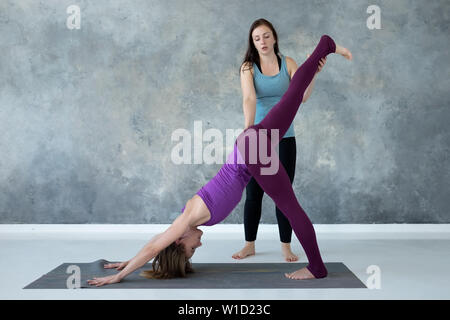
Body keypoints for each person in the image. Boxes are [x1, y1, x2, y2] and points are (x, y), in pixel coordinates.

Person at [87, 34, 352, 287]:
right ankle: (323, 47)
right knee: (293, 96)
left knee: (289, 206)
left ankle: (317, 268)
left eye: (191, 248)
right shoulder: (186, 222)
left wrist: (118, 278)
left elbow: (156, 246)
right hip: (250, 148)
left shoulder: (188, 219)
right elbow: (157, 243)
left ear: (179, 241)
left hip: (251, 151)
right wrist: (127, 263)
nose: (198, 246)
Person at [233, 18, 328, 262]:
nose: (262, 42)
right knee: (253, 194)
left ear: (274, 37)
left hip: (285, 138)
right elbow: (249, 99)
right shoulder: (248, 67)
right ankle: (249, 245)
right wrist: (247, 134)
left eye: (266, 36)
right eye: (256, 38)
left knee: (284, 195)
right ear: (252, 44)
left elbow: (303, 96)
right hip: (258, 140)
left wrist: (314, 74)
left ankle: (286, 247)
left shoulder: (289, 64)